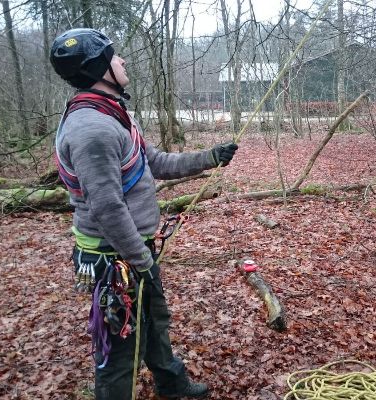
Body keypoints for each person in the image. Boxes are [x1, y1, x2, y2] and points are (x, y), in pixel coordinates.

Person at [50, 28, 237, 399]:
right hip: (114, 258)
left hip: (132, 250)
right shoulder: (93, 129)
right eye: (114, 57)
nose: (122, 61)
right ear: (100, 68)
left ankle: (170, 381)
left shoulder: (113, 114)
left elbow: (154, 162)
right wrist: (140, 260)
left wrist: (209, 158)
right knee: (121, 347)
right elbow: (106, 206)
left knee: (154, 320)